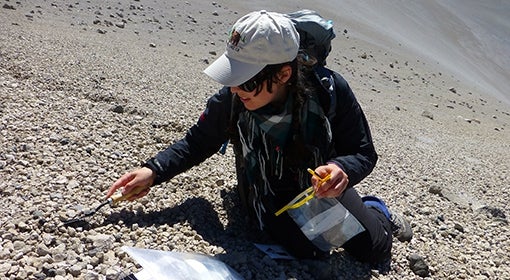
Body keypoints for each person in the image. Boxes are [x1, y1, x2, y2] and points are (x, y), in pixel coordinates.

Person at [107, 10, 412, 271]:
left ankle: (376, 209)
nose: (236, 88)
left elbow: (362, 151)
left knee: (372, 251)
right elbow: (199, 142)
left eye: (246, 79)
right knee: (302, 249)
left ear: (282, 74)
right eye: (232, 75)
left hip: (318, 193)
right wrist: (153, 171)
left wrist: (340, 170)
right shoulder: (232, 98)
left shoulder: (329, 91)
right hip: (262, 195)